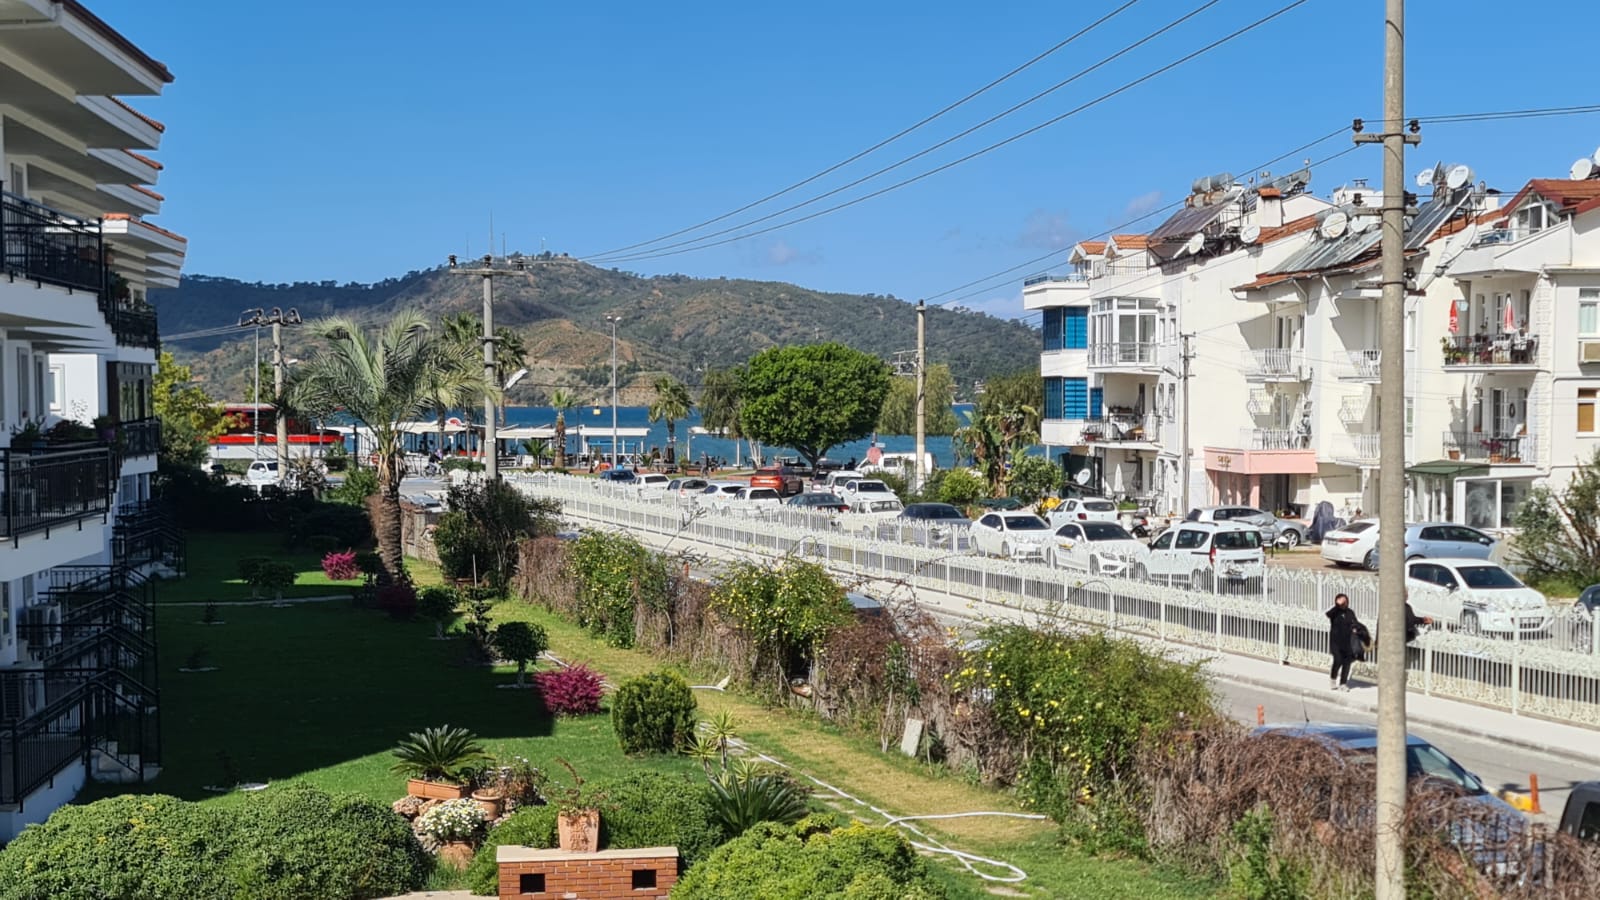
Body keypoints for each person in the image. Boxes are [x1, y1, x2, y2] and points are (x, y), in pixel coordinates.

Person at [1326, 593, 1369, 691]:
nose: (1344, 603)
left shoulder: (1350, 612)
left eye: (1345, 601)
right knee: (1338, 660)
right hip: (1336, 642)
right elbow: (1328, 614)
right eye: (1342, 602)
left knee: (1347, 663)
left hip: (1348, 641)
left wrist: (1356, 629)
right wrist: (1337, 605)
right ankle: (1333, 679)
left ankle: (1343, 683)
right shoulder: (1335, 613)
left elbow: (1355, 623)